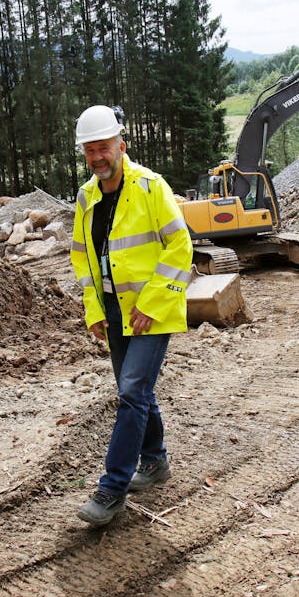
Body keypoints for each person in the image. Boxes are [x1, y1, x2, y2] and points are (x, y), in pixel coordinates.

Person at [70, 104, 194, 526]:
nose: (97, 157)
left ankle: (112, 489)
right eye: (90, 151)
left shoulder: (150, 187)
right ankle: (156, 461)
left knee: (131, 393)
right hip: (114, 310)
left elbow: (181, 246)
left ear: (121, 146)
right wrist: (93, 309)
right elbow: (82, 259)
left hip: (151, 312)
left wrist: (151, 302)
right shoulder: (87, 197)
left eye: (103, 147)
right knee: (136, 392)